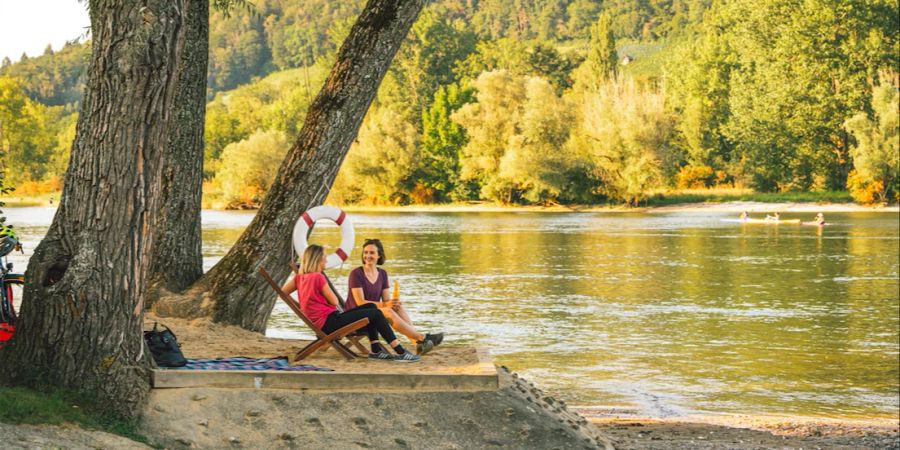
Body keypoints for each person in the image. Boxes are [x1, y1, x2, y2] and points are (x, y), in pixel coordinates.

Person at [282, 244, 421, 362]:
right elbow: (334, 301)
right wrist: (317, 301)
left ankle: (376, 350)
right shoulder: (318, 277)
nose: (326, 259)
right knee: (377, 313)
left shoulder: (299, 278)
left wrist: (302, 306)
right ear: (318, 259)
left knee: (371, 307)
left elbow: (284, 292)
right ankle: (400, 351)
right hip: (329, 322)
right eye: (324, 256)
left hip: (323, 322)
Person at [346, 239, 443, 356]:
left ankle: (417, 342)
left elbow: (386, 300)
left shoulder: (382, 274)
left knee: (397, 308)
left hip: (374, 313)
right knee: (389, 311)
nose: (368, 256)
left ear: (379, 255)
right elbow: (360, 302)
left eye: (371, 253)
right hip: (357, 317)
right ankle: (422, 337)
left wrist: (393, 303)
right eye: (365, 252)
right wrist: (386, 305)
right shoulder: (356, 274)